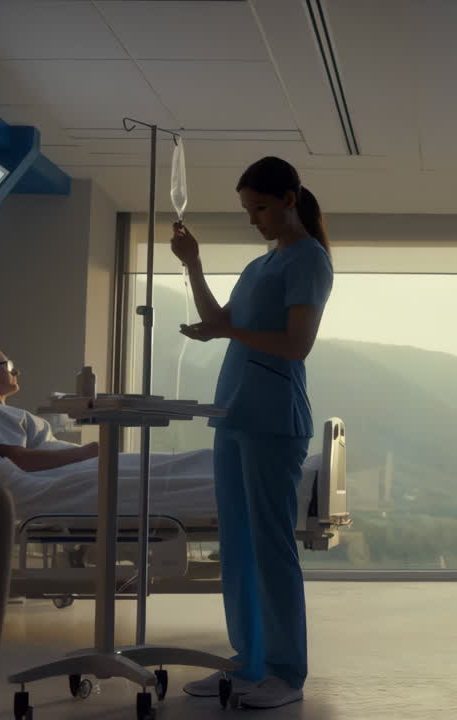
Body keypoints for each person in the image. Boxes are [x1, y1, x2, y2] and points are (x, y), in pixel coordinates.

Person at [174, 156, 333, 709]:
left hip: (273, 419)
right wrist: (192, 264)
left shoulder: (308, 261)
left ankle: (286, 675)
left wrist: (231, 333)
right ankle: (248, 664)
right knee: (237, 546)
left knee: (270, 547)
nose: (253, 219)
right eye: (247, 210)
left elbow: (295, 346)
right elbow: (221, 323)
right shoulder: (259, 264)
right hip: (235, 413)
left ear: (290, 199)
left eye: (260, 207)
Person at [0, 346, 99, 472]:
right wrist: (84, 453)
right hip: (72, 470)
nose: (16, 372)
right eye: (8, 366)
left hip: (80, 466)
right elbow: (18, 460)